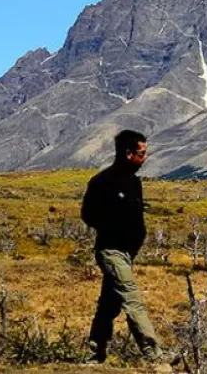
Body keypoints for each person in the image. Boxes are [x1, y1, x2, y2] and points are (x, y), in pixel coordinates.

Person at [81, 129, 163, 365]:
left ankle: (94, 353)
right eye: (142, 153)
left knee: (109, 304)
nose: (145, 157)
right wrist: (112, 228)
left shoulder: (134, 182)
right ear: (129, 154)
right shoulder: (102, 182)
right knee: (132, 299)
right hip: (111, 250)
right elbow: (88, 214)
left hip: (127, 253)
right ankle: (154, 354)